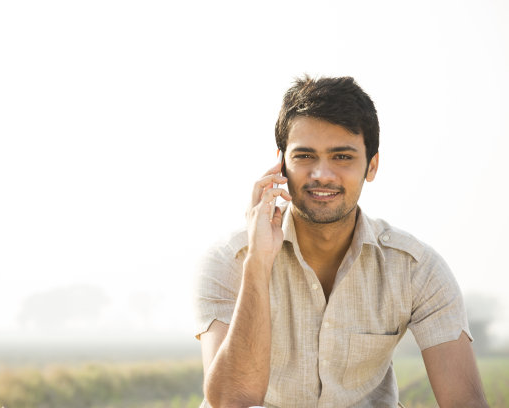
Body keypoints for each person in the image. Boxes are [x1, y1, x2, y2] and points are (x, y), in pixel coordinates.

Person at [193, 75, 489, 407]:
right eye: (304, 156)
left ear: (371, 165)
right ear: (281, 164)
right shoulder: (229, 260)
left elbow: (465, 403)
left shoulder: (415, 270)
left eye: (342, 157)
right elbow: (229, 401)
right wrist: (259, 263)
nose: (322, 174)